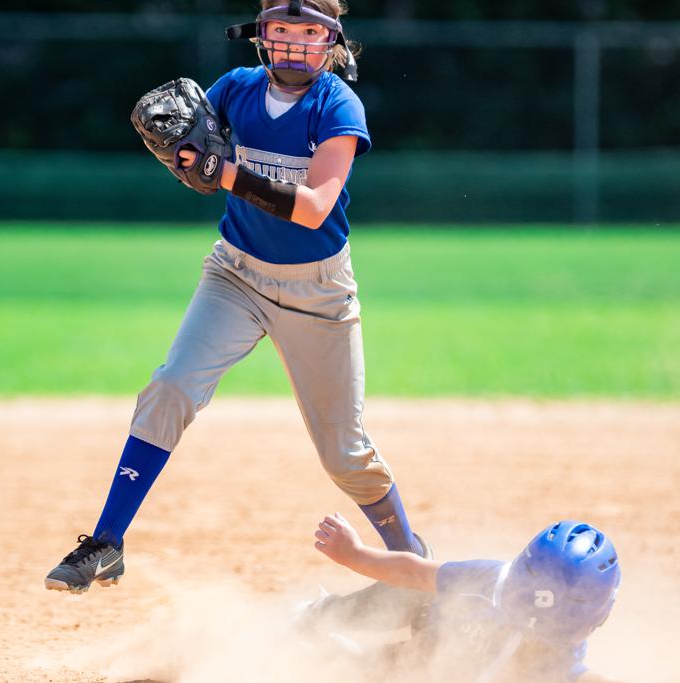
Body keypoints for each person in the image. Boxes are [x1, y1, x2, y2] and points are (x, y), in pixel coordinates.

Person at [45, 0, 426, 594]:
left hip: (317, 291)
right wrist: (186, 161)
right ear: (260, 35)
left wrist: (222, 173)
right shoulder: (235, 89)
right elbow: (197, 166)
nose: (295, 43)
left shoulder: (337, 106)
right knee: (170, 386)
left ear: (332, 42)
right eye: (282, 30)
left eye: (310, 32)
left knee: (344, 453)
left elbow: (314, 208)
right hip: (236, 275)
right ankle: (106, 542)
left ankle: (413, 561)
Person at [304, 514, 625, 683]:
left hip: (425, 669)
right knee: (406, 593)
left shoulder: (553, 657)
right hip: (431, 632)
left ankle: (338, 653)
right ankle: (322, 616)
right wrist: (355, 554)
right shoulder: (486, 579)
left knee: (359, 669)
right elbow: (415, 572)